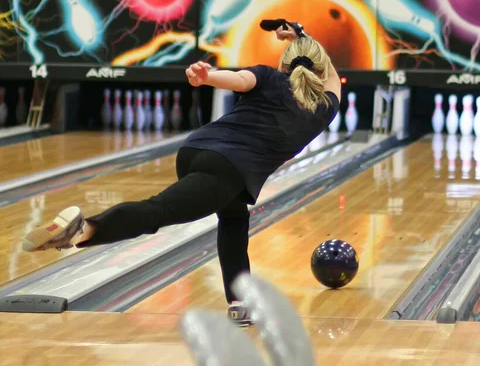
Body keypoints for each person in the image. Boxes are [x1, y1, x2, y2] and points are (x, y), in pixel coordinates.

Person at [22, 23, 341, 326]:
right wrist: (304, 36)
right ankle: (84, 229)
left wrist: (209, 77)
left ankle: (239, 302)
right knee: (157, 211)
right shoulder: (323, 110)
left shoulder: (271, 78)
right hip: (227, 171)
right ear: (322, 69)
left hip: (197, 149)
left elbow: (240, 80)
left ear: (284, 64)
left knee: (233, 218)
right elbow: (332, 80)